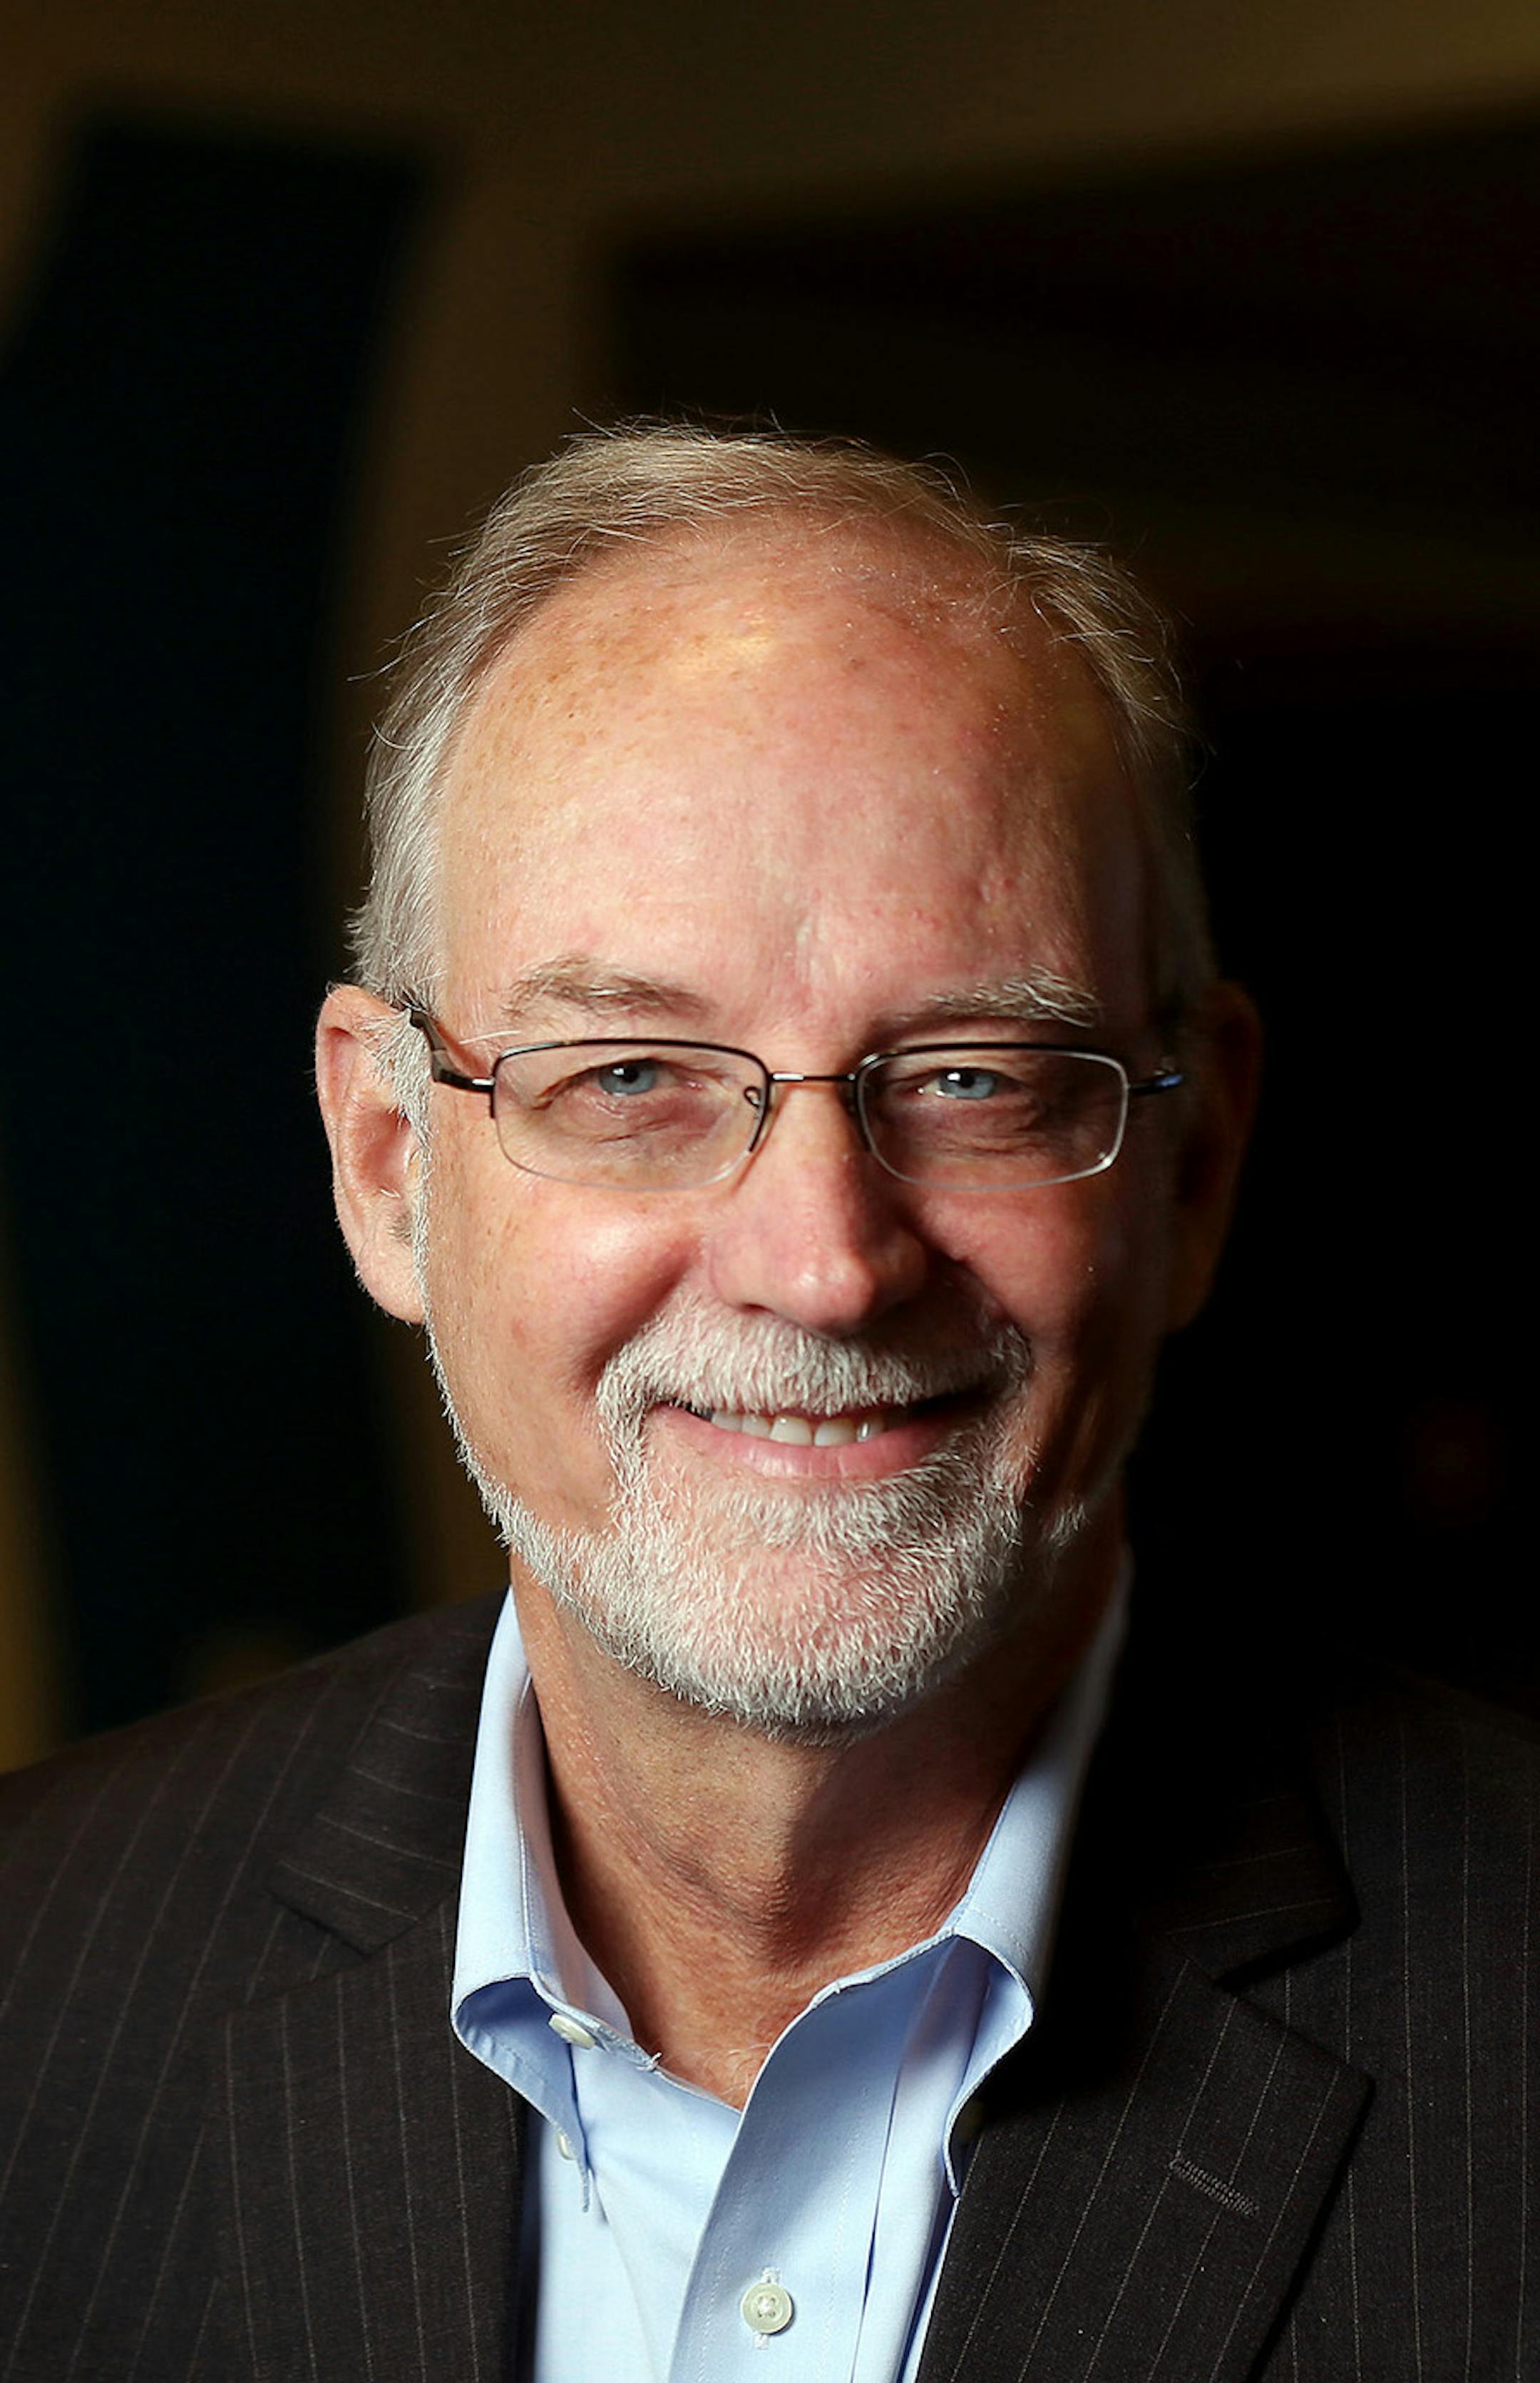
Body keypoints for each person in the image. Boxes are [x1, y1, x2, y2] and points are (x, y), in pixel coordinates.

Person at [1, 426, 1532, 2383]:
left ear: (1198, 1162)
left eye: (976, 1077)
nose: (823, 1266)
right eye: (632, 1076)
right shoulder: (33, 1996)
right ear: (388, 1161)